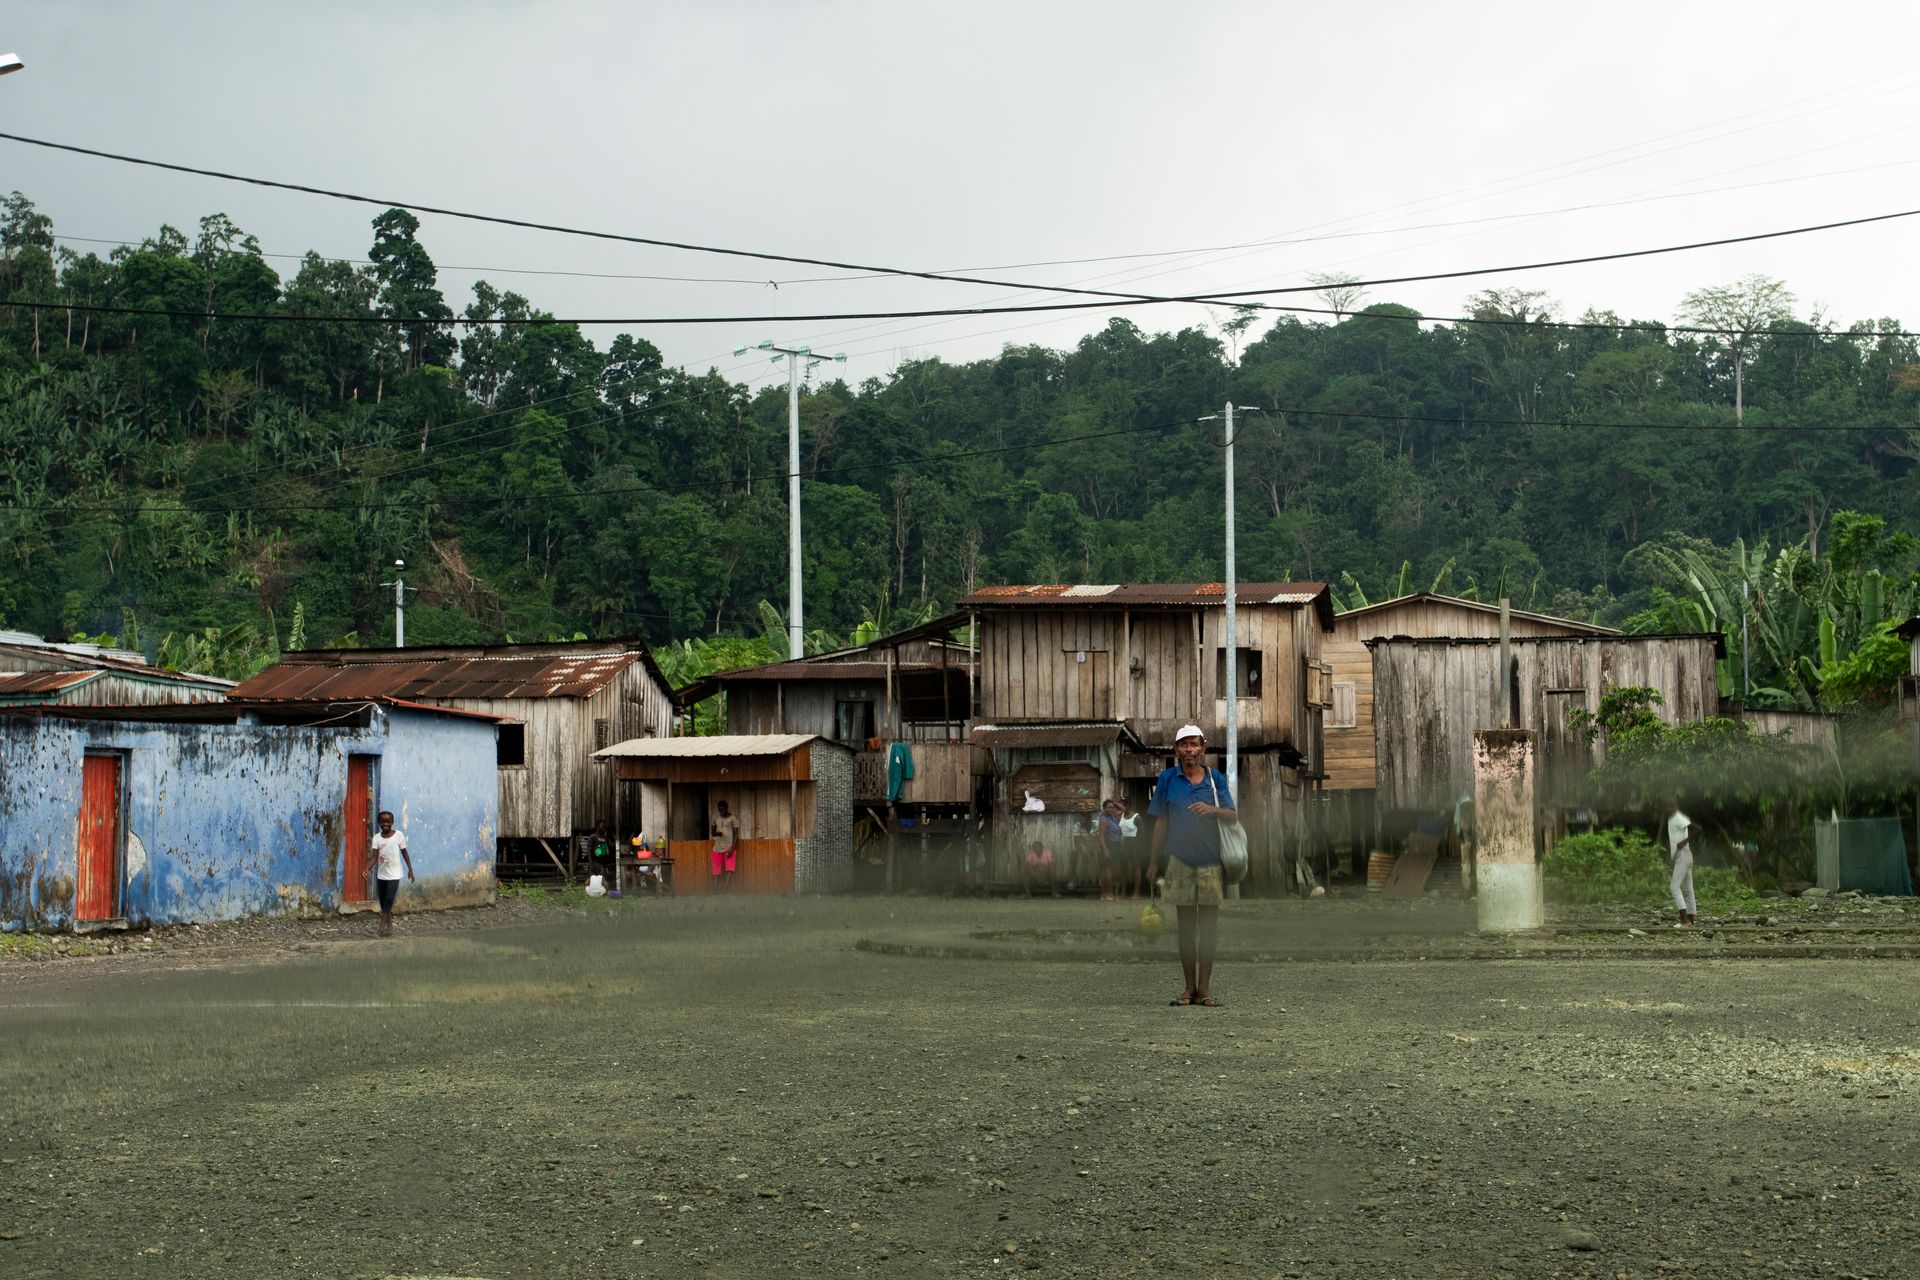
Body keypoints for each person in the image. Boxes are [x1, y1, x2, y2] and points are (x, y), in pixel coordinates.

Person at [1147, 725, 1234, 1006]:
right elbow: (1160, 821)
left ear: (1203, 749)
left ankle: (1205, 988)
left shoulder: (1215, 778)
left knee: (1208, 928)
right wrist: (1152, 863)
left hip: (1211, 862)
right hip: (1179, 861)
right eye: (1183, 744)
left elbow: (1232, 816)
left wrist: (1212, 810)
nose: (1189, 750)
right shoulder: (1167, 779)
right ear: (1176, 750)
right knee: (1185, 928)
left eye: (1194, 744)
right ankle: (1188, 988)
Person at [370, 809, 414, 938]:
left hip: (395, 874)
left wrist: (410, 869)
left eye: (388, 821)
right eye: (382, 821)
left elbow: (404, 853)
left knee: (388, 900)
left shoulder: (399, 835)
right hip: (382, 875)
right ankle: (390, 929)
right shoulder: (377, 838)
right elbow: (374, 857)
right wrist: (366, 869)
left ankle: (380, 930)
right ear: (379, 823)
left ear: (392, 822)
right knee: (384, 904)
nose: (385, 824)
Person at [1665, 797, 1697, 928]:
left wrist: (1682, 843)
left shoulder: (1678, 817)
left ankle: (1684, 920)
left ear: (1673, 806)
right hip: (1684, 855)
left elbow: (1697, 829)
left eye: (1668, 806)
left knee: (1674, 887)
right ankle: (1690, 920)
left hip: (1683, 854)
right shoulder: (1674, 819)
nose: (1666, 809)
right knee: (1688, 889)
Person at [1096, 799, 1125, 901]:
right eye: (1108, 807)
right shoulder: (1104, 820)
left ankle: (1104, 895)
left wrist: (1114, 803)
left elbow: (1123, 809)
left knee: (1109, 871)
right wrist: (1105, 850)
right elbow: (1101, 837)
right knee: (1108, 871)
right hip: (1108, 846)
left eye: (1113, 807)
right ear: (1104, 809)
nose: (1111, 809)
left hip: (1114, 846)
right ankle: (1109, 894)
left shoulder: (1112, 817)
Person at [710, 800, 740, 891]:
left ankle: (725, 891)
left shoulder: (733, 818)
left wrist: (732, 848)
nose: (721, 812)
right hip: (717, 848)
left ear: (726, 809)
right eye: (719, 810)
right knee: (716, 870)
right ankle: (715, 891)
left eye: (722, 810)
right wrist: (717, 834)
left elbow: (736, 835)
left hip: (729, 847)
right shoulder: (716, 818)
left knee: (729, 869)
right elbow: (713, 833)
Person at [587, 819, 614, 892]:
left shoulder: (605, 837)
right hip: (595, 862)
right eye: (603, 826)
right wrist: (591, 862)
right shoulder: (593, 837)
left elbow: (611, 846)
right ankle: (592, 891)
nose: (604, 828)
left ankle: (602, 890)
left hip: (603, 862)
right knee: (593, 878)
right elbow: (589, 850)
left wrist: (614, 837)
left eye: (604, 826)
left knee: (603, 878)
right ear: (598, 827)